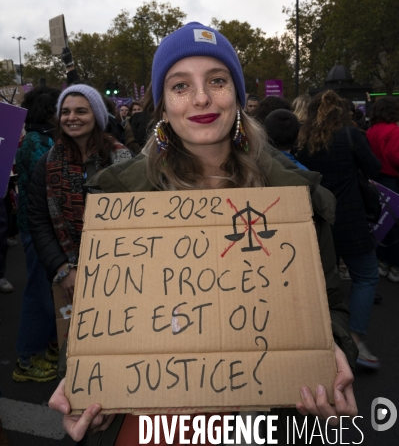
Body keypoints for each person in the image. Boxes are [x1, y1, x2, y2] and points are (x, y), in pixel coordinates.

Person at [49, 24, 357, 445]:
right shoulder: (120, 197)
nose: (201, 98)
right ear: (162, 106)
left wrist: (332, 350)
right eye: (180, 86)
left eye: (217, 80)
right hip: (154, 421)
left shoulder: (293, 196)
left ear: (238, 95)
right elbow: (99, 315)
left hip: (263, 415)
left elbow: (333, 303)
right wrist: (84, 386)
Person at [296, 91, 382, 369]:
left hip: (316, 219)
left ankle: (320, 343)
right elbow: (374, 168)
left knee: (318, 284)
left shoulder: (302, 140)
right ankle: (354, 340)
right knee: (366, 276)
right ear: (342, 112)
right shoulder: (350, 136)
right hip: (351, 219)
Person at [28, 85, 132, 303]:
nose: (71, 117)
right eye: (65, 112)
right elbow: (39, 221)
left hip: (123, 269)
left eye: (81, 111)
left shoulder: (123, 159)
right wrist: (62, 267)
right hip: (70, 274)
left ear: (96, 116)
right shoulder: (46, 163)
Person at [13, 86, 61, 382]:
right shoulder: (35, 142)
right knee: (38, 294)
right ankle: (25, 361)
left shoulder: (42, 138)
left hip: (44, 228)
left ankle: (50, 345)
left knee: (49, 292)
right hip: (36, 229)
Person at [366, 96, 399, 282]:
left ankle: (381, 262)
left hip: (375, 181)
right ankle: (394, 266)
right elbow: (396, 157)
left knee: (380, 223)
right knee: (394, 225)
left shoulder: (371, 130)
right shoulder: (394, 131)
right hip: (391, 180)